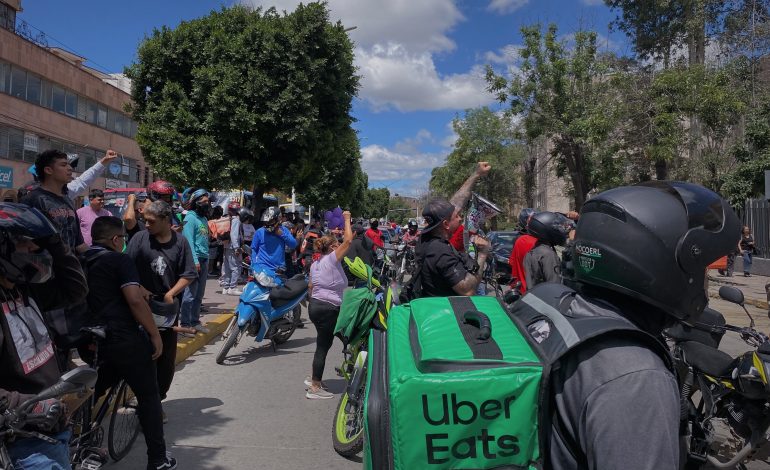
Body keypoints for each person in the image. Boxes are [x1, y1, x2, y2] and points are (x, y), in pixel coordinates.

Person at [534, 181, 740, 469]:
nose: (703, 282)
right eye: (700, 269)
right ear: (662, 265)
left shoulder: (550, 301)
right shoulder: (636, 375)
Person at [0, 203, 88, 470]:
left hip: (52, 427)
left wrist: (55, 241)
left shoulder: (24, 290)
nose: (36, 251)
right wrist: (29, 406)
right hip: (23, 441)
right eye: (27, 245)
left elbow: (75, 289)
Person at [85, 216, 177, 470]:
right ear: (116, 240)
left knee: (95, 389)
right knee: (149, 395)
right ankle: (158, 459)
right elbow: (135, 301)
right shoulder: (119, 259)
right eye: (122, 239)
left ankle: (79, 439)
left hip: (88, 339)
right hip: (122, 337)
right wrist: (155, 334)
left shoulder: (82, 258)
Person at [127, 201, 197, 420]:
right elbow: (126, 268)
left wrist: (170, 293)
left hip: (166, 310)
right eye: (144, 220)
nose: (146, 225)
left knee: (165, 361)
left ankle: (157, 398)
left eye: (151, 221)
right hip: (139, 306)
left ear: (166, 220)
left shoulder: (181, 243)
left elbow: (188, 273)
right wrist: (138, 286)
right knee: (144, 356)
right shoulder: (139, 239)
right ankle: (148, 402)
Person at [413, 162, 492, 297]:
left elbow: (456, 203)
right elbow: (467, 290)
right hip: (446, 313)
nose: (461, 219)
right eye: (457, 216)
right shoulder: (440, 252)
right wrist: (483, 254)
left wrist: (476, 174)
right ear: (446, 224)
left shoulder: (426, 239)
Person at [306, 210, 353, 399]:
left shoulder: (315, 263)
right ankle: (315, 387)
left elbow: (311, 286)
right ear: (333, 247)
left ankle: (315, 380)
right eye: (337, 245)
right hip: (328, 309)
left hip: (317, 306)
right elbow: (348, 241)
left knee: (328, 342)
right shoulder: (331, 260)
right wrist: (347, 219)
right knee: (339, 341)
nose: (339, 247)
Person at [20, 149, 88, 253]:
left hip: (71, 266)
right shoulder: (32, 200)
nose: (70, 168)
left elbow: (79, 244)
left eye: (69, 165)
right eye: (63, 165)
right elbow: (24, 243)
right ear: (48, 170)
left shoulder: (68, 200)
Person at [180, 189, 212, 335]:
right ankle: (185, 324)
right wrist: (194, 261)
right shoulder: (190, 218)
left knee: (199, 294)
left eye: (208, 201)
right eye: (204, 202)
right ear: (196, 202)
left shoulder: (204, 219)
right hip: (194, 260)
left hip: (204, 258)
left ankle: (195, 321)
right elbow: (188, 241)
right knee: (189, 295)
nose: (207, 204)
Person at [250, 206, 298, 283]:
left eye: (270, 221)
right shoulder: (259, 232)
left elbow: (293, 244)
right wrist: (255, 265)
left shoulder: (284, 230)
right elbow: (253, 250)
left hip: (279, 270)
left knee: (278, 294)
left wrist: (282, 234)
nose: (267, 224)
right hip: (262, 269)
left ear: (278, 220)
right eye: (266, 222)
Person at [523, 211, 566, 289]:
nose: (559, 231)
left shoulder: (534, 251)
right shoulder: (548, 255)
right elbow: (554, 286)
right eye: (556, 228)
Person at [509, 208, 538, 293]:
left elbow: (511, 262)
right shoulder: (532, 241)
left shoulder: (519, 239)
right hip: (531, 290)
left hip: (518, 289)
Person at [221, 202, 244, 295]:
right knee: (236, 267)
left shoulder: (228, 219)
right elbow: (234, 235)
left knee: (226, 267)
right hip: (232, 247)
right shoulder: (236, 220)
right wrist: (236, 248)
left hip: (226, 245)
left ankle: (226, 288)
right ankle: (233, 287)